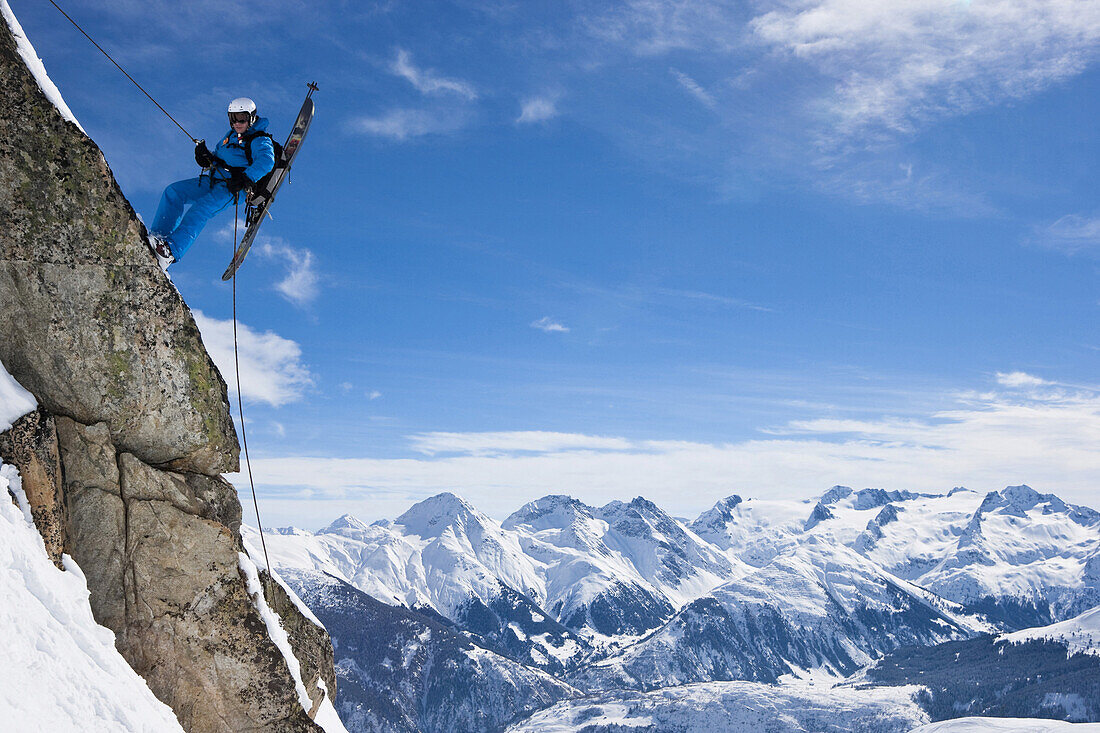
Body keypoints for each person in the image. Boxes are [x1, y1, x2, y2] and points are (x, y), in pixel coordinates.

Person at [148, 97, 276, 264]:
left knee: (201, 209)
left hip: (233, 188)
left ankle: (171, 251)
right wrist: (205, 157)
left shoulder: (259, 139)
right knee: (173, 192)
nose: (237, 122)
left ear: (251, 117)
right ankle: (159, 236)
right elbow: (218, 157)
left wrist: (246, 178)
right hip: (214, 179)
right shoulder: (230, 136)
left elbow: (267, 161)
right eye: (233, 118)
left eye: (242, 118)